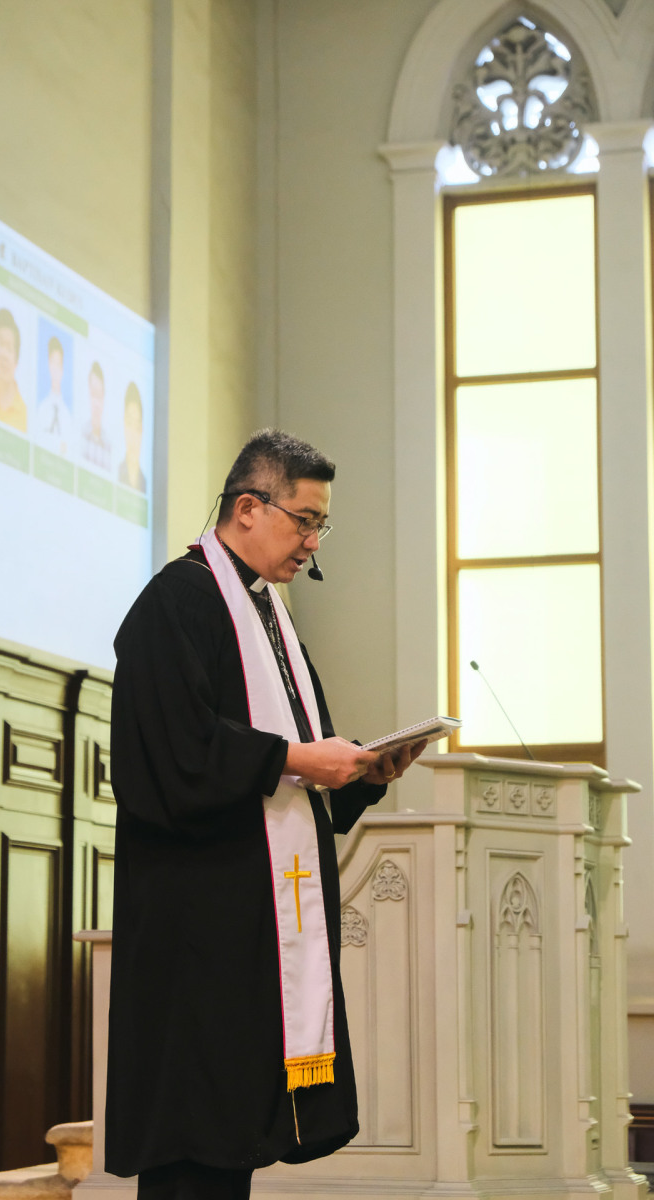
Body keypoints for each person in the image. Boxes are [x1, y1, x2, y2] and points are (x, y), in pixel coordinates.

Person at [105, 430, 427, 1200]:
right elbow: (173, 754)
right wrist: (299, 759)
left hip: (247, 927)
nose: (313, 544)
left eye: (322, 526)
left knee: (231, 1139)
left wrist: (364, 772)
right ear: (248, 508)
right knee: (194, 1144)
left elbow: (299, 753)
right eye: (304, 521)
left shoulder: (267, 617)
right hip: (196, 929)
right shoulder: (176, 603)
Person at [0, 307, 27, 432]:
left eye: (9, 348)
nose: (3, 354)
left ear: (16, 360)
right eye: (0, 344)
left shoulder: (24, 414)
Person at [36, 336, 72, 456]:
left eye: (58, 364)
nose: (56, 369)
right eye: (53, 363)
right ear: (48, 365)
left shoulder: (67, 415)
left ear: (63, 368)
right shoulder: (41, 408)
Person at [81, 361, 112, 471]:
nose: (96, 404)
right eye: (93, 394)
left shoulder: (109, 445)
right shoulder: (80, 435)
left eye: (99, 395)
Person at [117, 382, 146, 492]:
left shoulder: (146, 482)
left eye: (137, 426)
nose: (133, 435)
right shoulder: (116, 471)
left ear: (142, 429)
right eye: (129, 423)